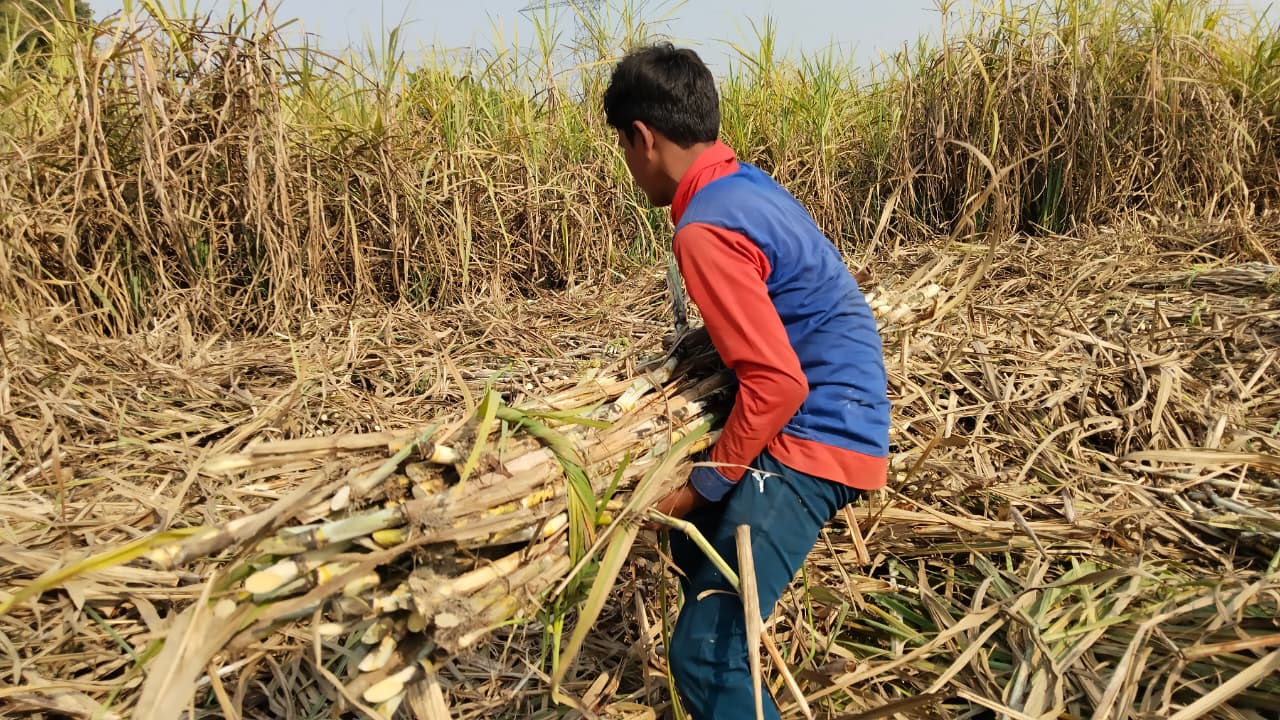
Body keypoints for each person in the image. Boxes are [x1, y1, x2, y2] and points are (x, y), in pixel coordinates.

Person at [603, 44, 891, 719]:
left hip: (818, 433)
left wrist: (706, 478)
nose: (625, 162)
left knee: (704, 653)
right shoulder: (746, 185)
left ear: (643, 137)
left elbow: (777, 383)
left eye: (621, 144)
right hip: (845, 403)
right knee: (690, 549)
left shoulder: (705, 227)